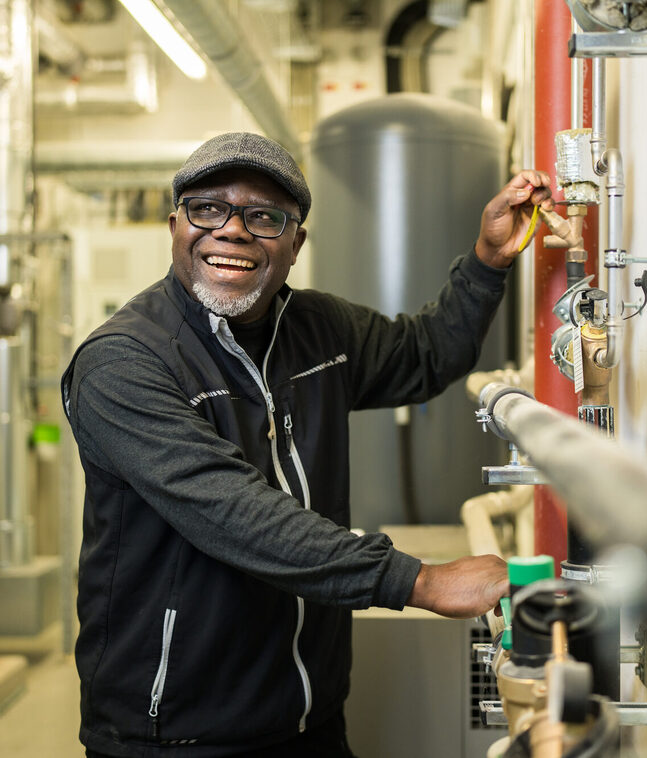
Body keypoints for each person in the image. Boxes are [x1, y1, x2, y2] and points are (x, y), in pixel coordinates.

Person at [61, 131, 554, 758]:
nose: (233, 230)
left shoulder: (318, 330)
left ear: (296, 244)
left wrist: (488, 259)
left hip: (309, 716)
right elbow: (232, 512)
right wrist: (419, 581)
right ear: (174, 225)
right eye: (208, 208)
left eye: (265, 217)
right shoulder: (124, 363)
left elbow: (427, 355)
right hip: (176, 732)